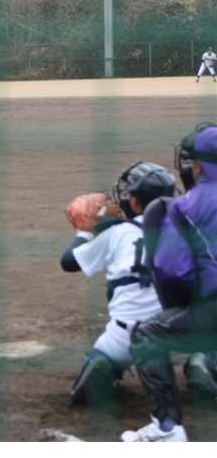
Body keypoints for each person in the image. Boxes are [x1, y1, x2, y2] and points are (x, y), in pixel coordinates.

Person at [121, 124, 217, 442]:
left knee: (147, 335)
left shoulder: (187, 205)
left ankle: (167, 428)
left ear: (198, 164)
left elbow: (174, 272)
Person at [60, 161, 178, 403]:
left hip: (126, 337)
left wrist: (85, 231)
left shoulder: (117, 233)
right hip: (175, 332)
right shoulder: (185, 230)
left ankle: (104, 364)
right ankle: (203, 362)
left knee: (101, 353)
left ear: (135, 202)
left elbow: (68, 261)